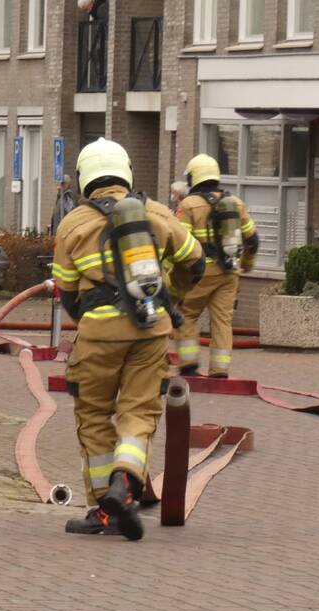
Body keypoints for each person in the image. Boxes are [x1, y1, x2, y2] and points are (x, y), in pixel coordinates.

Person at [52, 138, 205, 540]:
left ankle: (105, 510)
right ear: (126, 171)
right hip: (151, 330)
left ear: (86, 177)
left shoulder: (72, 224)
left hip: (99, 334)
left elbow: (67, 290)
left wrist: (89, 323)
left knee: (94, 416)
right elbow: (195, 260)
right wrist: (172, 296)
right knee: (139, 413)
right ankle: (126, 481)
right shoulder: (155, 213)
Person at [174, 154, 259, 378]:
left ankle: (189, 363)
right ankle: (220, 369)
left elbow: (179, 242)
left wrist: (175, 274)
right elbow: (252, 239)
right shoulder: (236, 203)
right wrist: (247, 264)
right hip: (229, 272)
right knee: (222, 320)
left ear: (194, 177)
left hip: (199, 274)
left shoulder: (188, 205)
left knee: (186, 314)